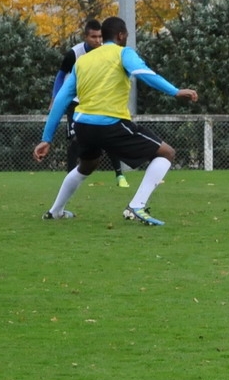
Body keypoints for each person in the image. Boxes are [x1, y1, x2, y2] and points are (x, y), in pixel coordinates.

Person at [34, 16, 199, 225]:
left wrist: (46, 138)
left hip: (82, 125)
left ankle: (55, 211)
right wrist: (175, 91)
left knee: (87, 164)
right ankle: (136, 206)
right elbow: (143, 73)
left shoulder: (83, 61)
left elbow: (60, 100)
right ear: (121, 35)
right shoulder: (123, 53)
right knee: (167, 153)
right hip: (110, 124)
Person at [52, 18, 130, 188]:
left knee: (109, 136)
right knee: (75, 139)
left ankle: (119, 175)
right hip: (75, 102)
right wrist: (55, 98)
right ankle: (70, 177)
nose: (97, 40)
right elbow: (60, 75)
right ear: (85, 37)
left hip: (97, 101)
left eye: (100, 36)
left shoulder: (106, 52)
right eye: (93, 37)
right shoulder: (74, 54)